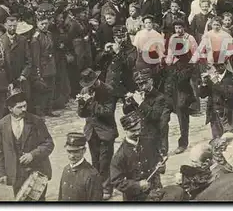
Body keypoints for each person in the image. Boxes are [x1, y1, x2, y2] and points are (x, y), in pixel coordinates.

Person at [0, 86, 54, 199]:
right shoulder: (2, 125)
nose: (24, 109)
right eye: (19, 107)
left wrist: (33, 154)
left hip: (37, 172)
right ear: (10, 109)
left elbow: (49, 143)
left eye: (25, 106)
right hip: (16, 174)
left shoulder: (36, 121)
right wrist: (0, 173)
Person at [76, 68, 118, 200]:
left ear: (96, 81)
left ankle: (107, 188)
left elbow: (107, 112)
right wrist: (82, 104)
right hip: (91, 131)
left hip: (105, 131)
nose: (88, 88)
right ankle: (97, 187)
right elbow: (82, 114)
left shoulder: (108, 90)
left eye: (90, 85)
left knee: (105, 161)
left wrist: (90, 103)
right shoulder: (85, 91)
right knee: (95, 161)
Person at [110, 111, 163, 201]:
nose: (138, 133)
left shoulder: (149, 141)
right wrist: (137, 185)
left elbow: (158, 158)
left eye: (139, 129)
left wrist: (160, 165)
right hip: (135, 197)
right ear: (125, 130)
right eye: (133, 131)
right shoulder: (120, 155)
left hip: (156, 191)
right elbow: (116, 181)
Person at [165, 20, 198, 154]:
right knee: (170, 106)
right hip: (174, 72)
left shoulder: (190, 38)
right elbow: (169, 53)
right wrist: (168, 61)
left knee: (182, 108)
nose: (178, 30)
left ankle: (183, 142)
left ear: (184, 28)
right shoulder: (173, 38)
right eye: (176, 27)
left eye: (180, 27)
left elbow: (196, 53)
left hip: (185, 72)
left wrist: (189, 66)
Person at [197, 60, 233, 139]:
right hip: (214, 115)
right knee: (217, 142)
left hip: (229, 116)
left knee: (230, 141)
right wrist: (203, 83)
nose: (218, 68)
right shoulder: (211, 78)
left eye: (221, 65)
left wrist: (215, 81)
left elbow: (229, 94)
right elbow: (202, 95)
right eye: (216, 66)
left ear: (226, 64)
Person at [58, 132, 103, 201]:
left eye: (76, 152)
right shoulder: (66, 170)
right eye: (69, 151)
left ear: (84, 150)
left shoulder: (92, 175)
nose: (72, 156)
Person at [30, 15, 58, 117]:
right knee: (41, 89)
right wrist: (38, 71)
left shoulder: (49, 34)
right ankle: (40, 111)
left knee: (51, 88)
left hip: (51, 65)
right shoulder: (36, 38)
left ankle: (48, 109)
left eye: (46, 23)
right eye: (42, 24)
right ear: (37, 24)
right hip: (42, 66)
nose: (45, 26)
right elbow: (35, 56)